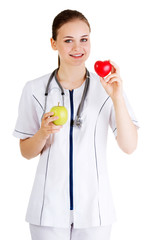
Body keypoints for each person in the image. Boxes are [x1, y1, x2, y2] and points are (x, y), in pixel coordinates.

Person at [13, 9, 139, 240]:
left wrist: (117, 97)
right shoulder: (34, 90)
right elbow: (25, 152)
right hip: (47, 210)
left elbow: (129, 146)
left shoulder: (107, 88)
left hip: (95, 210)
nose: (77, 48)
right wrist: (43, 132)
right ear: (53, 43)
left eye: (84, 39)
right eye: (68, 40)